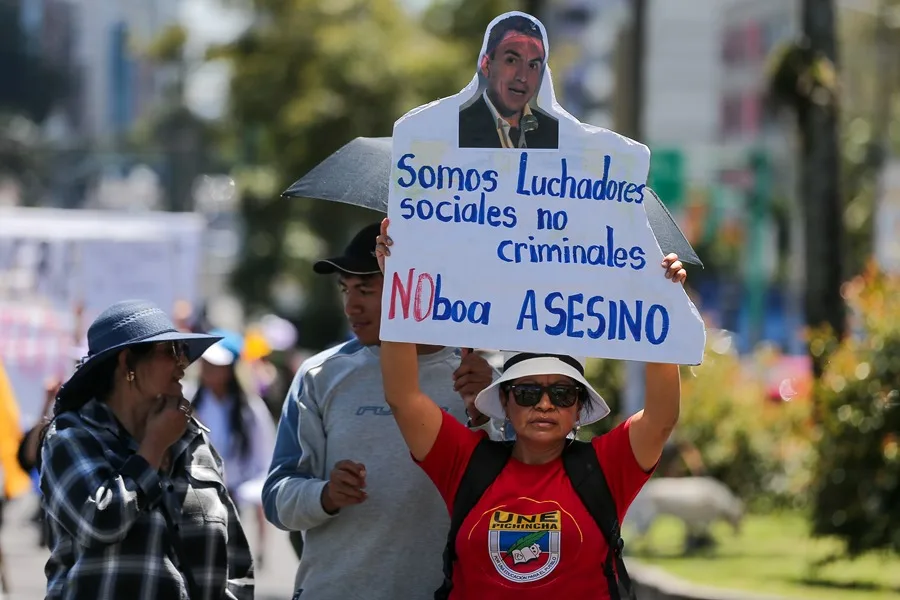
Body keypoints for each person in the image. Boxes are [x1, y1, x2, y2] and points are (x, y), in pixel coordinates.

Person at [374, 218, 687, 598]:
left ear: (579, 408)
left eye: (561, 394)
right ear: (504, 400)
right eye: (526, 392)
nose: (543, 404)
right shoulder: (464, 460)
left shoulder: (606, 467)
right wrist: (397, 282)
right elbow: (403, 397)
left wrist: (664, 300)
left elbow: (661, 417)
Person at [262, 222, 501, 599]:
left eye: (366, 289)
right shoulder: (320, 375)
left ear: (413, 287)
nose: (350, 305)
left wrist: (489, 412)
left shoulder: (487, 383)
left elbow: (529, 492)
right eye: (345, 289)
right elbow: (276, 498)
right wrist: (324, 495)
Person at [39, 299, 254, 599]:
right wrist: (152, 449)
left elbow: (235, 562)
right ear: (127, 363)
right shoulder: (71, 437)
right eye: (169, 351)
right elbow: (100, 523)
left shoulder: (193, 441)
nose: (182, 363)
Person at [188, 333, 276, 567]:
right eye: (206, 363)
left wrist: (245, 491)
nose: (209, 369)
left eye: (218, 365)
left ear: (231, 369)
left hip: (235, 498)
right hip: (193, 496)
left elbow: (264, 461)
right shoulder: (188, 401)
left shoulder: (250, 409)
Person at [458, 14, 559, 150]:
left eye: (532, 65)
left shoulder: (554, 133)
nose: (523, 77)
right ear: (486, 65)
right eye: (511, 60)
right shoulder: (458, 128)